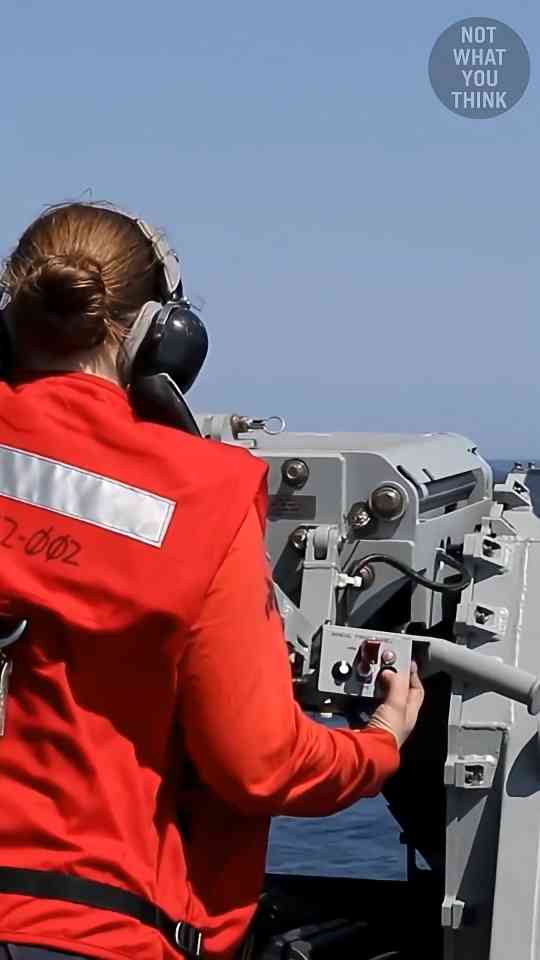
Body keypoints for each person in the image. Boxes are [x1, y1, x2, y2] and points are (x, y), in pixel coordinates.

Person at [0, 202, 424, 960]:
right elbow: (257, 764)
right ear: (163, 338)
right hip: (80, 928)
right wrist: (379, 744)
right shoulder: (201, 496)